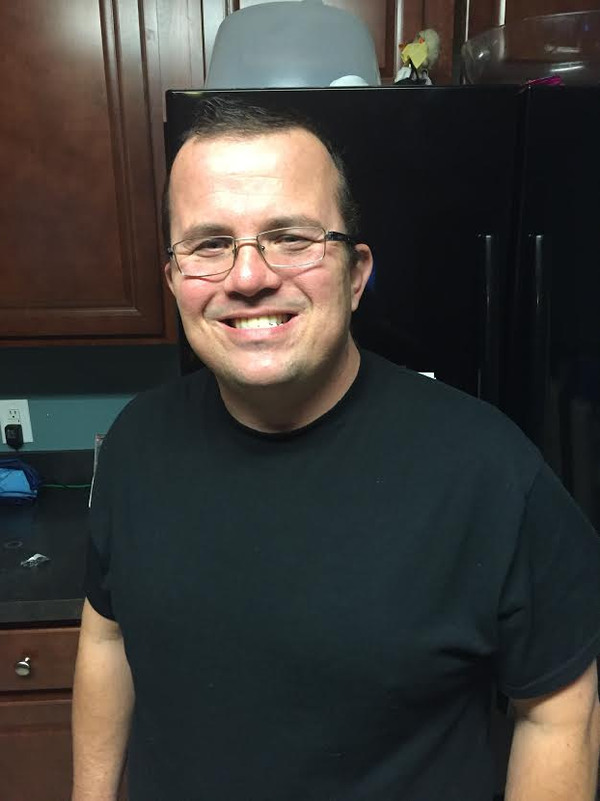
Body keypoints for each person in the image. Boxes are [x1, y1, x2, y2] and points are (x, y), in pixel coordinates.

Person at [72, 97, 600, 801]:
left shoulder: (490, 471)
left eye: (291, 237)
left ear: (355, 274)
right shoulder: (133, 444)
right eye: (210, 244)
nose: (249, 277)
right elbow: (107, 636)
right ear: (174, 280)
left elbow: (559, 710)